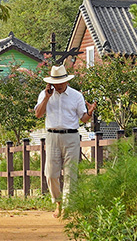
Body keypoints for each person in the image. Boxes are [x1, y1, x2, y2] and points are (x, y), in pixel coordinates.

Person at [33, 64, 94, 217]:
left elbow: (83, 118)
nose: (59, 86)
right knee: (51, 173)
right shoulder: (44, 94)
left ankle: (67, 206)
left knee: (70, 173)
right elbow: (38, 114)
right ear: (51, 83)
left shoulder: (76, 96)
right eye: (56, 83)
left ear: (67, 81)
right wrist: (47, 97)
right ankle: (58, 202)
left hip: (71, 136)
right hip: (52, 136)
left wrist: (90, 113)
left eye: (61, 82)